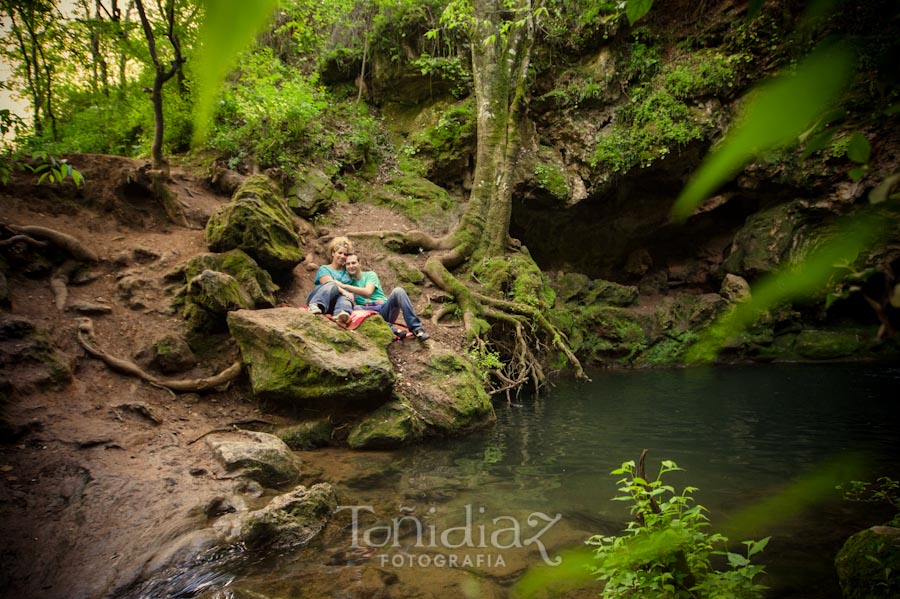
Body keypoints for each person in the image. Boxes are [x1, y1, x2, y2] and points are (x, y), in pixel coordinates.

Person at [340, 253, 430, 341]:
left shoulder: (370, 275)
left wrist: (345, 286)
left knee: (398, 291)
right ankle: (395, 331)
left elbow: (368, 292)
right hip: (367, 312)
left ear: (360, 263)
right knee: (355, 309)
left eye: (353, 263)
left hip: (384, 309)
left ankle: (417, 329)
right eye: (348, 264)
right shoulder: (348, 282)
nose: (351, 266)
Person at [305, 236, 354, 323]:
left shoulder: (347, 272)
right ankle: (315, 305)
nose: (342, 256)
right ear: (333, 253)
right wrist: (344, 291)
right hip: (319, 298)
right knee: (332, 285)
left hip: (334, 304)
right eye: (340, 253)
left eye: (345, 254)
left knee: (345, 298)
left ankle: (341, 313)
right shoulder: (324, 269)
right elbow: (328, 282)